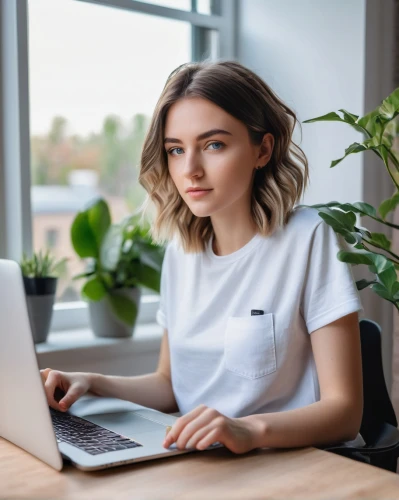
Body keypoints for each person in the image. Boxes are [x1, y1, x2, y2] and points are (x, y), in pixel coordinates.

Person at [41, 60, 364, 455]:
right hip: (204, 464)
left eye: (213, 145)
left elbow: (345, 412)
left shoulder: (309, 239)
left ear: (262, 149)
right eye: (176, 150)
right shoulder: (180, 253)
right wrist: (90, 381)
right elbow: (169, 384)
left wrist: (246, 430)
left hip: (294, 465)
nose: (190, 169)